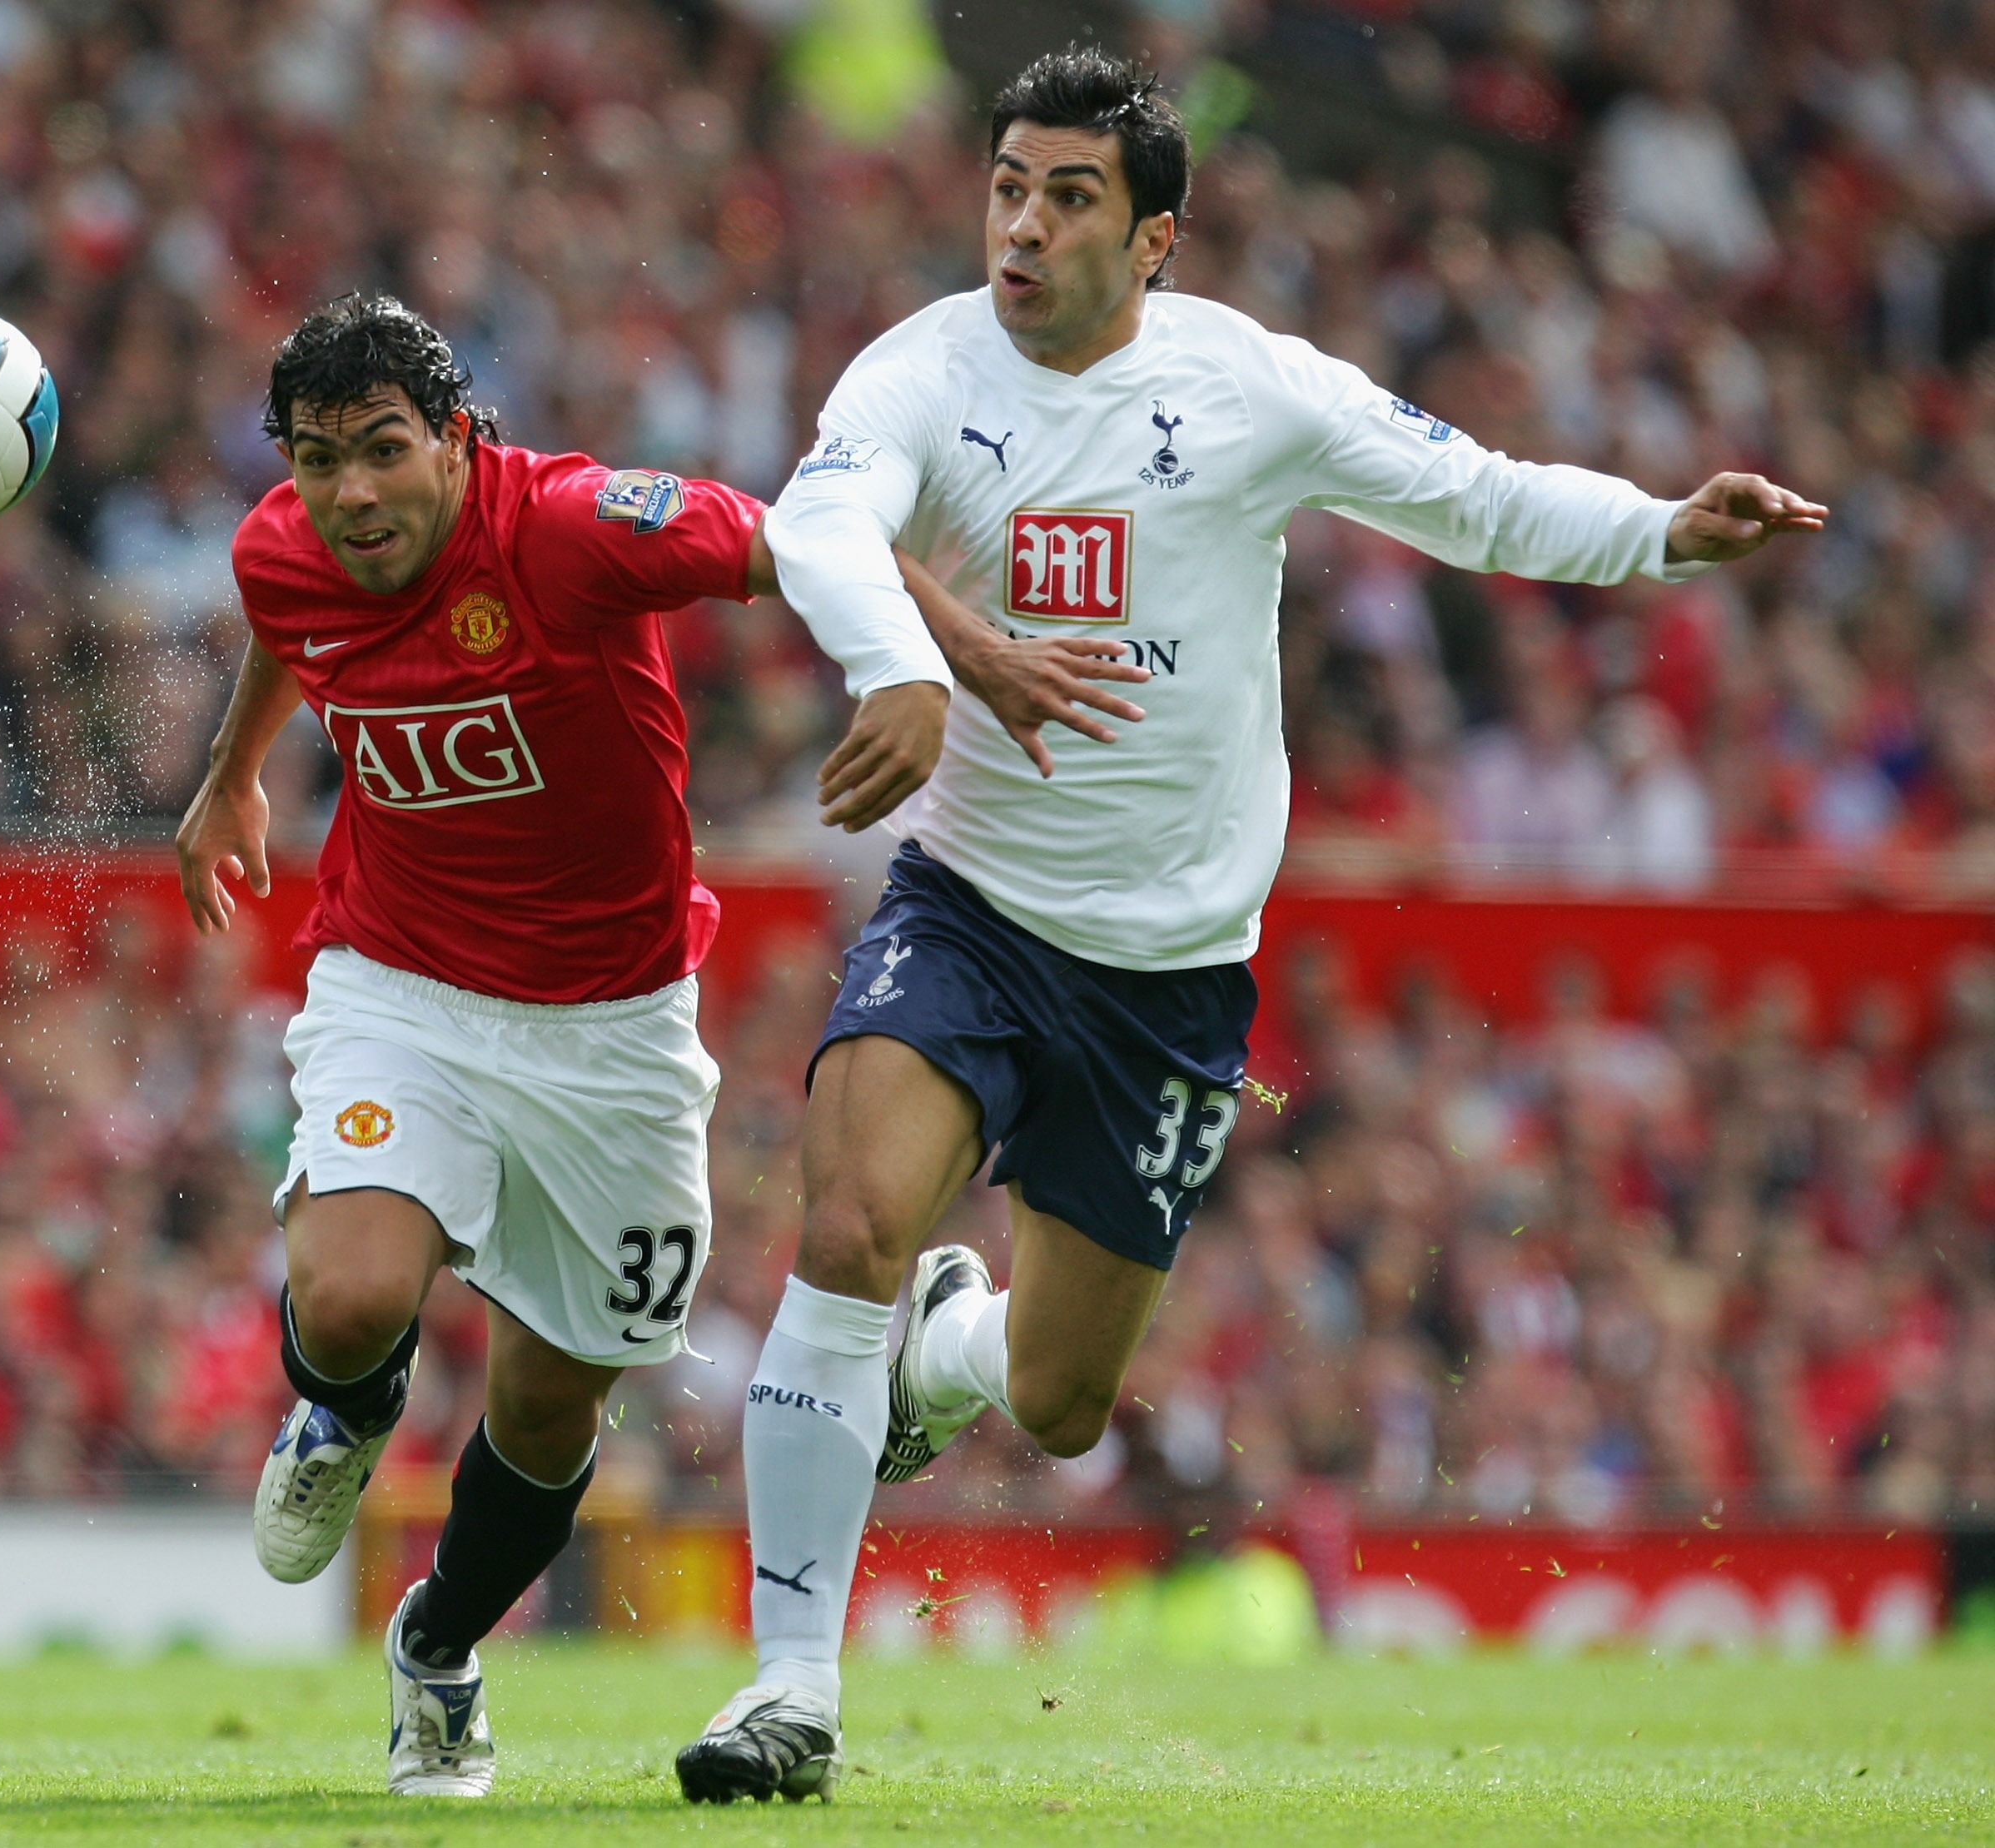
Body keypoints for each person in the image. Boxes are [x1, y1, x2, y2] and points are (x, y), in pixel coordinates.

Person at [675, 45, 1827, 1805]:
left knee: (1057, 1401)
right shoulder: (920, 368)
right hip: (971, 905)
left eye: (1071, 198)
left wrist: (1664, 530)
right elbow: (823, 518)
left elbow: (1484, 493)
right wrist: (917, 661)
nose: (1025, 225)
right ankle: (789, 1695)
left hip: (1169, 975)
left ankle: (950, 1346)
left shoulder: (1251, 390)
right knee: (842, 1221)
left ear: (1153, 241)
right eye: (1008, 184)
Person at [176, 291, 1134, 1798]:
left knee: (554, 1407)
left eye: (381, 451)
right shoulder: (280, 545)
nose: (349, 493)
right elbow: (285, 622)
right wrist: (234, 773)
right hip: (400, 985)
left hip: (614, 1034)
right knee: (356, 1299)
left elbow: (808, 537)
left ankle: (436, 1650)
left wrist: (940, 661)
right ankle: (342, 1405)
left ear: (456, 439)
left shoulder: (570, 528)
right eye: (315, 460)